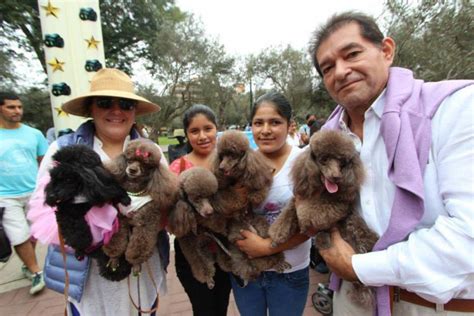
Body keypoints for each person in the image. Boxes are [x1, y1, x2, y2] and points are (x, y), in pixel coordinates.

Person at [308, 11, 474, 316]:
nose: (341, 71)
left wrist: (358, 266)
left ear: (386, 50)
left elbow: (468, 237)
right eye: (328, 67)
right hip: (353, 300)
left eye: (352, 54)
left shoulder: (454, 108)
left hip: (433, 305)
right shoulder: (328, 139)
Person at [31, 68, 169, 315]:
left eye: (125, 104)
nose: (116, 111)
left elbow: (166, 205)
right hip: (87, 275)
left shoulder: (152, 153)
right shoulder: (62, 149)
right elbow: (45, 207)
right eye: (105, 103)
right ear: (91, 109)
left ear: (134, 111)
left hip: (140, 270)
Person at [232, 91, 312, 316]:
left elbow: (313, 224)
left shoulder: (305, 163)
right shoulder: (240, 165)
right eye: (258, 123)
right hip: (247, 272)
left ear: (290, 125)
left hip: (289, 272)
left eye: (275, 122)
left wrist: (267, 247)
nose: (265, 130)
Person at [168, 104, 232, 316]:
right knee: (203, 309)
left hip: (225, 250)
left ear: (217, 128)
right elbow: (170, 216)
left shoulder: (229, 164)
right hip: (191, 254)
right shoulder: (178, 167)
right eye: (194, 131)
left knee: (221, 306)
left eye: (208, 128)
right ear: (187, 134)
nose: (202, 136)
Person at [0, 92, 48, 295]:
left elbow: (44, 162)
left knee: (35, 232)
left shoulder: (34, 134)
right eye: (11, 107)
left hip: (34, 191)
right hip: (4, 195)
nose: (17, 111)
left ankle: (27, 263)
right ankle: (36, 271)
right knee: (18, 234)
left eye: (19, 107)